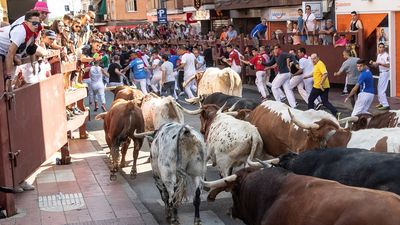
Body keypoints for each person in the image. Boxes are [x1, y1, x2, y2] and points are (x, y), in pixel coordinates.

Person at [0, 10, 41, 81]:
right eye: (34, 23)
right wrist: (8, 77)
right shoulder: (20, 32)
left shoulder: (33, 32)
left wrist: (33, 63)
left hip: (7, 50)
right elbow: (9, 54)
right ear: (26, 22)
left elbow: (31, 49)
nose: (37, 26)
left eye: (38, 23)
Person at [307, 53, 340, 118]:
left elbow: (325, 74)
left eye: (314, 58)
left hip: (318, 87)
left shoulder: (320, 64)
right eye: (312, 59)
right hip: (325, 86)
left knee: (310, 100)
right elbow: (315, 73)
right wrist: (307, 76)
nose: (313, 60)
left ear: (318, 58)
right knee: (325, 102)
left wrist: (321, 84)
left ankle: (310, 115)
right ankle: (336, 113)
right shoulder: (317, 64)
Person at [370, 43, 390, 110]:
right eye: (379, 47)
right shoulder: (379, 55)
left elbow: (388, 65)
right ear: (378, 48)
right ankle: (381, 103)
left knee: (382, 89)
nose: (381, 48)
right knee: (379, 88)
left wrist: (379, 63)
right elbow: (376, 65)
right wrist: (372, 63)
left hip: (385, 73)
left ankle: (385, 104)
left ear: (384, 48)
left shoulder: (386, 55)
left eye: (382, 47)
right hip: (381, 73)